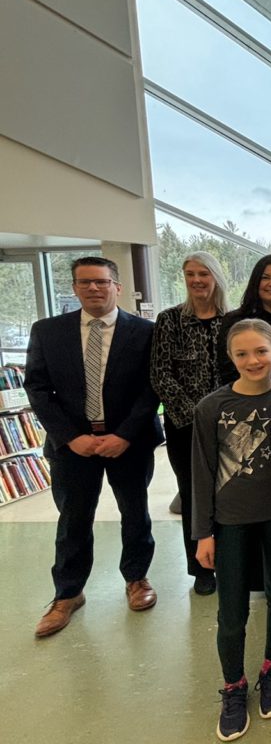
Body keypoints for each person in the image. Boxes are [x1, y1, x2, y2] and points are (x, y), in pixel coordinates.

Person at [26, 256, 164, 638]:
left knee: (135, 511)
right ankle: (68, 593)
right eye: (85, 282)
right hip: (73, 444)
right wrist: (71, 436)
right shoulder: (48, 332)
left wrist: (125, 435)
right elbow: (37, 387)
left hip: (128, 441)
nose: (93, 288)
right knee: (73, 517)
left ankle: (136, 578)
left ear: (117, 286)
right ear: (74, 288)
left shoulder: (146, 332)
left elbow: (152, 387)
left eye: (101, 281)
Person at [192, 320, 271, 741]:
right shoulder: (211, 408)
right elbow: (202, 473)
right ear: (230, 357)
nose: (253, 360)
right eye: (242, 354)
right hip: (230, 520)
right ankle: (233, 685)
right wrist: (203, 532)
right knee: (231, 610)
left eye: (261, 351)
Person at [151, 251, 228, 595]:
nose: (196, 280)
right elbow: (160, 374)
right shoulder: (170, 321)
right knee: (194, 496)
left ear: (216, 277)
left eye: (203, 273)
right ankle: (201, 569)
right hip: (185, 427)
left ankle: (232, 561)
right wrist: (195, 416)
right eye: (190, 274)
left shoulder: (231, 320)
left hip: (230, 425)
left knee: (229, 495)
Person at [217, 255, 271, 385]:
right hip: (248, 393)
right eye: (265, 278)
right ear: (256, 282)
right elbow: (227, 369)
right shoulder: (235, 320)